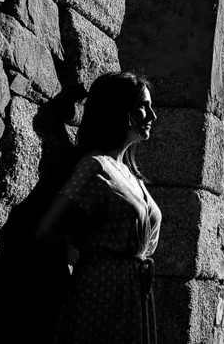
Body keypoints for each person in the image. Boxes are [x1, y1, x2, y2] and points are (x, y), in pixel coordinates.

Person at [36, 70, 162, 344]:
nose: (152, 116)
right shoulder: (93, 166)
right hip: (102, 291)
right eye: (143, 106)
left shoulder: (129, 173)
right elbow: (46, 229)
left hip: (134, 292)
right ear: (119, 110)